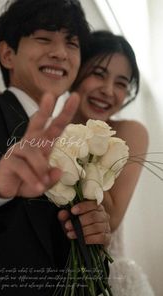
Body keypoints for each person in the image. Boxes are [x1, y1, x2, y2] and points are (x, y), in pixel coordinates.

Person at [0, 2, 111, 296]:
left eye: (72, 43)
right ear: (7, 54)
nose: (60, 52)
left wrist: (93, 242)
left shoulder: (74, 153)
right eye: (44, 38)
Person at [72, 30, 154, 295]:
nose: (108, 91)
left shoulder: (130, 133)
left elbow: (113, 217)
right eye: (98, 73)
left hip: (108, 277)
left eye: (121, 83)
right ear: (76, 68)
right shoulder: (44, 131)